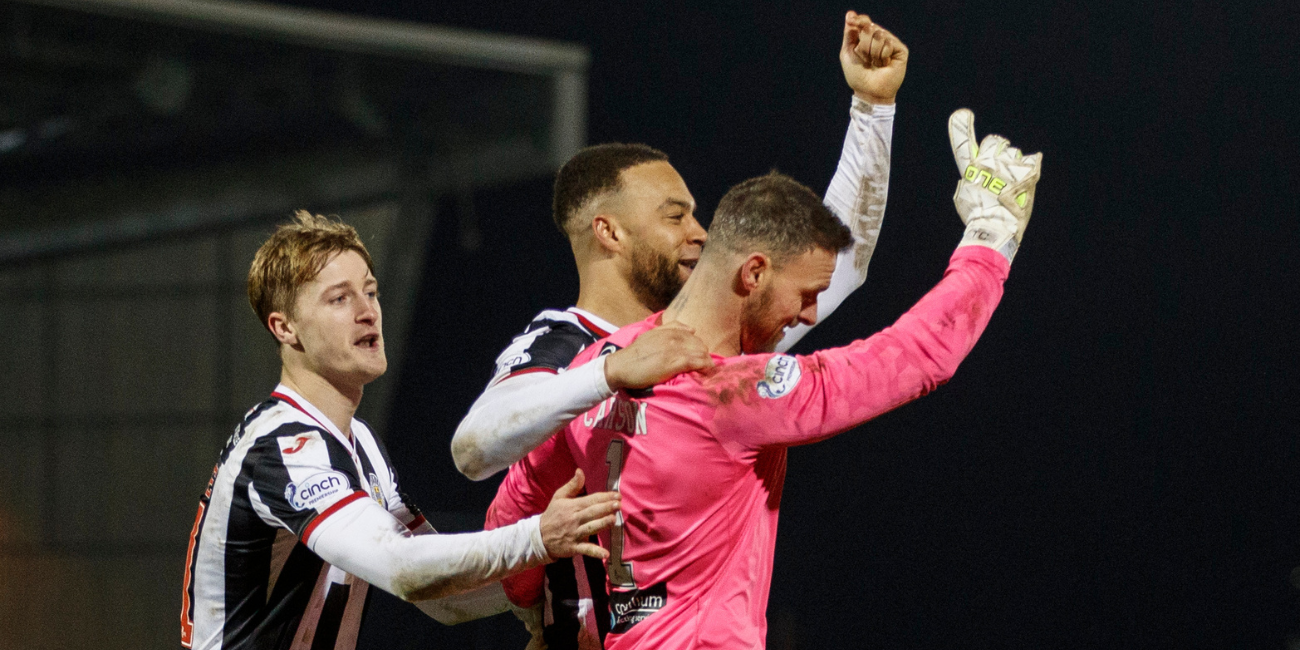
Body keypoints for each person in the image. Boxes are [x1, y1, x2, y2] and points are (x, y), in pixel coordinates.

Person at [485, 110, 1043, 649]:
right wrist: (990, 242)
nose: (806, 316)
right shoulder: (732, 394)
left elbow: (514, 506)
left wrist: (537, 613)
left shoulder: (594, 372)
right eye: (804, 296)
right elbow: (911, 358)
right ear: (752, 272)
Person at [450, 13, 907, 646]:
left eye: (696, 214)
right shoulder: (562, 343)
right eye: (676, 216)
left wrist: (872, 109)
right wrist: (608, 372)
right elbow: (474, 449)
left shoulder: (714, 348)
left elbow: (842, 265)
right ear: (608, 231)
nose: (698, 233)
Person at [179, 212, 620, 650]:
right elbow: (403, 569)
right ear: (285, 327)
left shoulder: (360, 441)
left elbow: (443, 599)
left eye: (370, 291)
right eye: (339, 299)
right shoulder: (287, 445)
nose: (367, 311)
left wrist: (548, 598)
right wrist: (537, 538)